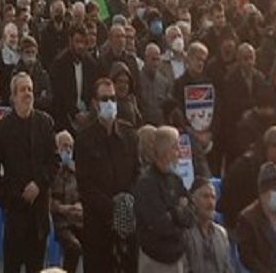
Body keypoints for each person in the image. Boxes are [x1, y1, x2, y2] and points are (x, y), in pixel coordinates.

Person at [0, 73, 57, 272]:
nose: (28, 94)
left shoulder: (45, 123)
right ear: (13, 96)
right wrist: (8, 199)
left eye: (30, 89)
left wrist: (39, 184)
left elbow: (54, 162)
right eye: (23, 90)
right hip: (15, 214)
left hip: (39, 214)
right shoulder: (2, 129)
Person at [75, 77, 139, 272]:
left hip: (128, 224)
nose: (110, 103)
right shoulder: (84, 139)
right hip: (98, 226)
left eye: (112, 98)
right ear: (94, 103)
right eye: (104, 99)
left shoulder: (129, 135)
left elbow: (137, 172)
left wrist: (127, 202)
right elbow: (85, 186)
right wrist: (113, 207)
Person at [132, 126, 194, 272]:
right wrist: (179, 213)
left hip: (177, 259)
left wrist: (173, 212)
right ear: (165, 152)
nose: (179, 154)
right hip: (154, 260)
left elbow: (192, 213)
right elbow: (160, 225)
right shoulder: (146, 183)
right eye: (175, 148)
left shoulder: (176, 179)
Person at [181, 177, 233, 273]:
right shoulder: (184, 233)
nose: (210, 203)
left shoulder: (221, 234)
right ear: (193, 200)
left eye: (213, 197)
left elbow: (228, 269)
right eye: (205, 196)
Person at [48, 131, 82, 273]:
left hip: (79, 219)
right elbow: (48, 202)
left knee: (98, 240)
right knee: (74, 247)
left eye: (70, 147)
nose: (67, 150)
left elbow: (87, 194)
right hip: (60, 222)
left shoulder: (79, 171)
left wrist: (81, 206)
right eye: (64, 146)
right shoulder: (51, 172)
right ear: (56, 149)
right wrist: (63, 209)